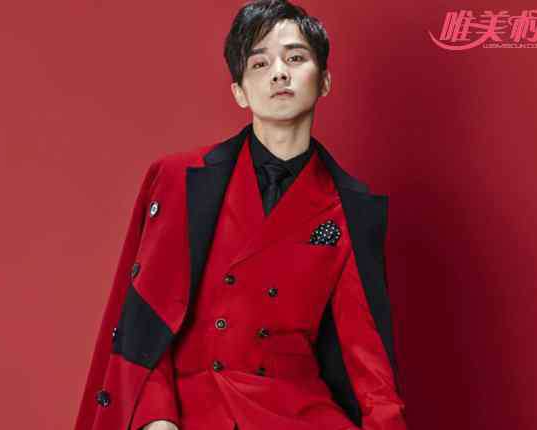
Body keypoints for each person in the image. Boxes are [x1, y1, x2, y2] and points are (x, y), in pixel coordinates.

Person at [74, 1, 407, 429]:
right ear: (239, 91)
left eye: (295, 58)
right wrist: (156, 418)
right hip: (194, 411)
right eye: (260, 63)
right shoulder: (180, 179)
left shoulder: (350, 207)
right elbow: (145, 320)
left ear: (324, 80)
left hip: (297, 413)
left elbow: (368, 360)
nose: (279, 73)